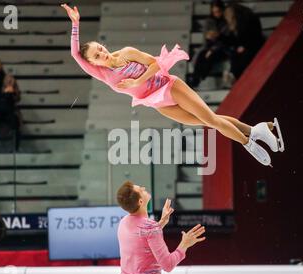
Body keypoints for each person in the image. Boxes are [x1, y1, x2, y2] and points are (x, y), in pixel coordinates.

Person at [61, 4, 284, 167]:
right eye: (96, 55)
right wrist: (75, 25)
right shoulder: (102, 74)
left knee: (212, 120)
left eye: (99, 48)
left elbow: (156, 63)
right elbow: (74, 53)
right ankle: (259, 130)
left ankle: (249, 143)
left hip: (169, 86)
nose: (101, 53)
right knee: (207, 122)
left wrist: (138, 80)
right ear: (92, 63)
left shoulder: (127, 53)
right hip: (158, 103)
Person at [113, 180, 205, 274]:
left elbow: (141, 240)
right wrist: (184, 244)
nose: (144, 187)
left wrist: (161, 223)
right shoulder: (150, 227)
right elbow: (168, 265)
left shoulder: (123, 221)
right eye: (141, 189)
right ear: (141, 202)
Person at [219, 3, 265, 85]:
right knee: (234, 53)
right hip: (244, 48)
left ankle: (233, 75)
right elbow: (234, 41)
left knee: (243, 55)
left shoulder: (249, 19)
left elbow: (255, 38)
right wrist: (220, 37)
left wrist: (244, 46)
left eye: (229, 15)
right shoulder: (235, 24)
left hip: (254, 47)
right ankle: (233, 75)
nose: (227, 18)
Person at [189, 0, 227, 88]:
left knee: (208, 55)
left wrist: (212, 49)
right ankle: (196, 78)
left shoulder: (226, 22)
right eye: (214, 12)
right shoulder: (209, 21)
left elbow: (225, 40)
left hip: (222, 48)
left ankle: (198, 77)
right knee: (202, 55)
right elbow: (206, 38)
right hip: (209, 47)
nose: (216, 14)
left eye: (218, 12)